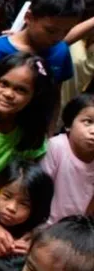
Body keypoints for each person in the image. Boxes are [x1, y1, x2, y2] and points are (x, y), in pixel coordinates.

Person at [0, 0, 84, 88]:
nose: (58, 37)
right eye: (50, 31)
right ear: (28, 17)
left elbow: (56, 93)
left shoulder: (61, 50)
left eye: (66, 31)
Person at [0, 53, 54, 176]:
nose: (8, 94)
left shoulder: (31, 136)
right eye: (4, 84)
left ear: (34, 96)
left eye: (20, 90)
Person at [41, 94, 94, 224]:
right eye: (88, 122)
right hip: (43, 225)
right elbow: (40, 193)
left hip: (74, 231)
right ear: (69, 124)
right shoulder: (56, 147)